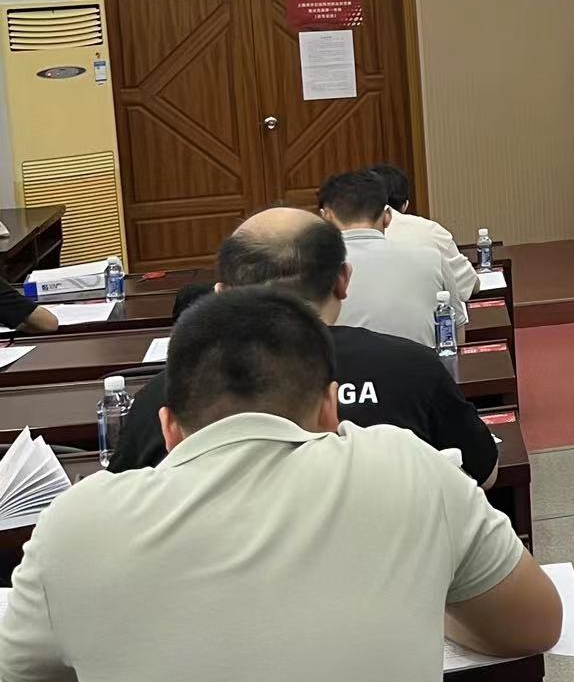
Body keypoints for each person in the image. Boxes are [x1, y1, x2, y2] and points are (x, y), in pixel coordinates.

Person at [0, 286, 561, 682]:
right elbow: (533, 625)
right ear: (330, 409)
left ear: (168, 429)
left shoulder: (75, 523)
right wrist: (422, 600)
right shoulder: (409, 466)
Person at [108, 208, 499, 486]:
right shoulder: (412, 366)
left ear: (221, 294)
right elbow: (483, 471)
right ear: (343, 280)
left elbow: (126, 497)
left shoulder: (167, 393)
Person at [319, 169, 456, 349]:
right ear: (387, 216)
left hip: (340, 367)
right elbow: (455, 332)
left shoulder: (310, 267)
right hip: (421, 365)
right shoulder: (432, 258)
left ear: (326, 217)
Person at [369, 163, 479, 311]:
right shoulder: (430, 230)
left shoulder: (348, 236)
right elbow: (468, 285)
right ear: (405, 205)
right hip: (429, 321)